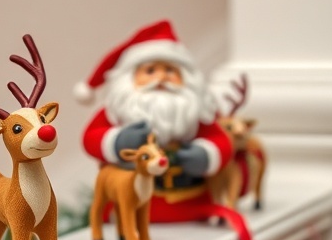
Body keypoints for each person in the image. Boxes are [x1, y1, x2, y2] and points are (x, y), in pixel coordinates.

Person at [75, 20, 233, 221]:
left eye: (170, 70)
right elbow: (90, 138)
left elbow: (221, 141)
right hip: (129, 211)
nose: (161, 78)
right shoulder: (117, 112)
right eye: (150, 71)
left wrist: (206, 155)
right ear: (129, 79)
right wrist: (117, 141)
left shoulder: (196, 111)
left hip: (193, 209)